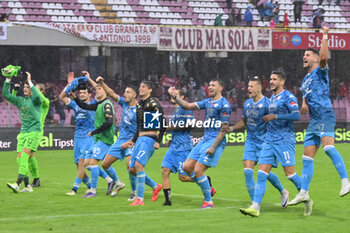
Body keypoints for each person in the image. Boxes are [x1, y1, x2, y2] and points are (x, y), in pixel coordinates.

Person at [288, 27, 350, 207]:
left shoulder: (320, 71)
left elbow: (324, 58)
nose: (304, 57)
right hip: (314, 120)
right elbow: (306, 95)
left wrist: (324, 35)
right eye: (304, 55)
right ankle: (304, 192)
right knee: (307, 156)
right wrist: (304, 104)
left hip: (324, 113)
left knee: (328, 148)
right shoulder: (304, 80)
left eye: (308, 55)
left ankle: (345, 181)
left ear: (315, 58)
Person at [239, 71, 310, 217]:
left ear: (282, 81)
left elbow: (296, 115)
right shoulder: (271, 99)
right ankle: (255, 207)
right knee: (261, 173)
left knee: (290, 174)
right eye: (270, 79)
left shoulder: (288, 96)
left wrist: (276, 116)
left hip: (284, 139)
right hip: (269, 140)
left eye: (274, 79)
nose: (271, 81)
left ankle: (306, 197)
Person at [225, 77, 289, 207]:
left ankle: (283, 191)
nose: (248, 88)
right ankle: (255, 203)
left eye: (252, 86)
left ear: (259, 88)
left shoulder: (267, 103)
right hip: (250, 141)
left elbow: (276, 122)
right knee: (248, 171)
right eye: (248, 86)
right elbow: (244, 122)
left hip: (265, 142)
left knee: (264, 172)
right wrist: (231, 128)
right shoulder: (247, 104)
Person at [168, 79, 231, 208]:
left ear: (221, 88)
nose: (210, 87)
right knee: (186, 167)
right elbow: (187, 106)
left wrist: (213, 147)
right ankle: (208, 188)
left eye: (213, 85)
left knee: (198, 170)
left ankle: (209, 201)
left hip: (215, 141)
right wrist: (175, 96)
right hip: (205, 139)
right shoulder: (207, 102)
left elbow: (224, 129)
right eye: (209, 84)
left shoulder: (224, 105)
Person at [71, 74, 116, 198]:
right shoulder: (99, 104)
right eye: (96, 89)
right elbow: (85, 106)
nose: (97, 90)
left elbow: (108, 122)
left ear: (105, 91)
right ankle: (113, 181)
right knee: (87, 163)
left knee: (93, 163)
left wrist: (94, 132)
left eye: (99, 89)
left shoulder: (107, 104)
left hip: (104, 138)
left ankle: (93, 190)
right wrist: (74, 98)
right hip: (98, 138)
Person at [96, 76, 141, 200]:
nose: (124, 94)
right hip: (120, 140)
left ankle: (134, 192)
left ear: (134, 95)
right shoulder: (125, 104)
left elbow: (140, 129)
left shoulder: (139, 109)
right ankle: (118, 182)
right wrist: (102, 83)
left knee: (130, 167)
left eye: (128, 92)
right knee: (105, 164)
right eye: (125, 92)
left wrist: (131, 141)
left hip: (132, 141)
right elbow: (111, 93)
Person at [122, 81, 164, 206]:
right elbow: (139, 127)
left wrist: (158, 140)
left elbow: (162, 122)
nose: (141, 89)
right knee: (132, 169)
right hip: (140, 139)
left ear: (150, 90)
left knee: (139, 166)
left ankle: (139, 199)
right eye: (140, 87)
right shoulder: (140, 104)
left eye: (143, 87)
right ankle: (155, 186)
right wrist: (132, 142)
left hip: (149, 138)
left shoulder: (153, 103)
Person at [3, 72, 42, 193]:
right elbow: (6, 94)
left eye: (28, 88)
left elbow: (38, 96)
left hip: (34, 132)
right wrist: (8, 79)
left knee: (25, 156)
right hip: (23, 133)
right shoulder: (20, 101)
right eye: (24, 87)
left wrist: (30, 82)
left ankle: (17, 184)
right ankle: (28, 186)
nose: (25, 89)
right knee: (19, 159)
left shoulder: (36, 101)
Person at [59, 72, 94, 195]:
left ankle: (74, 189)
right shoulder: (76, 105)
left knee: (81, 163)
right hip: (78, 137)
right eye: (81, 93)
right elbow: (62, 96)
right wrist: (70, 85)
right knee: (78, 165)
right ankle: (91, 185)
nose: (82, 94)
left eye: (85, 93)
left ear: (90, 95)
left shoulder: (92, 106)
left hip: (88, 137)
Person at [161, 88, 195, 206]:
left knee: (183, 177)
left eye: (176, 94)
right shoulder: (176, 111)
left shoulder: (185, 108)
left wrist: (173, 127)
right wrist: (171, 138)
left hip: (183, 147)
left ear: (182, 97)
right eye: (171, 95)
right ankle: (168, 201)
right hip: (174, 147)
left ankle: (205, 180)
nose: (172, 96)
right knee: (165, 170)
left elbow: (191, 124)